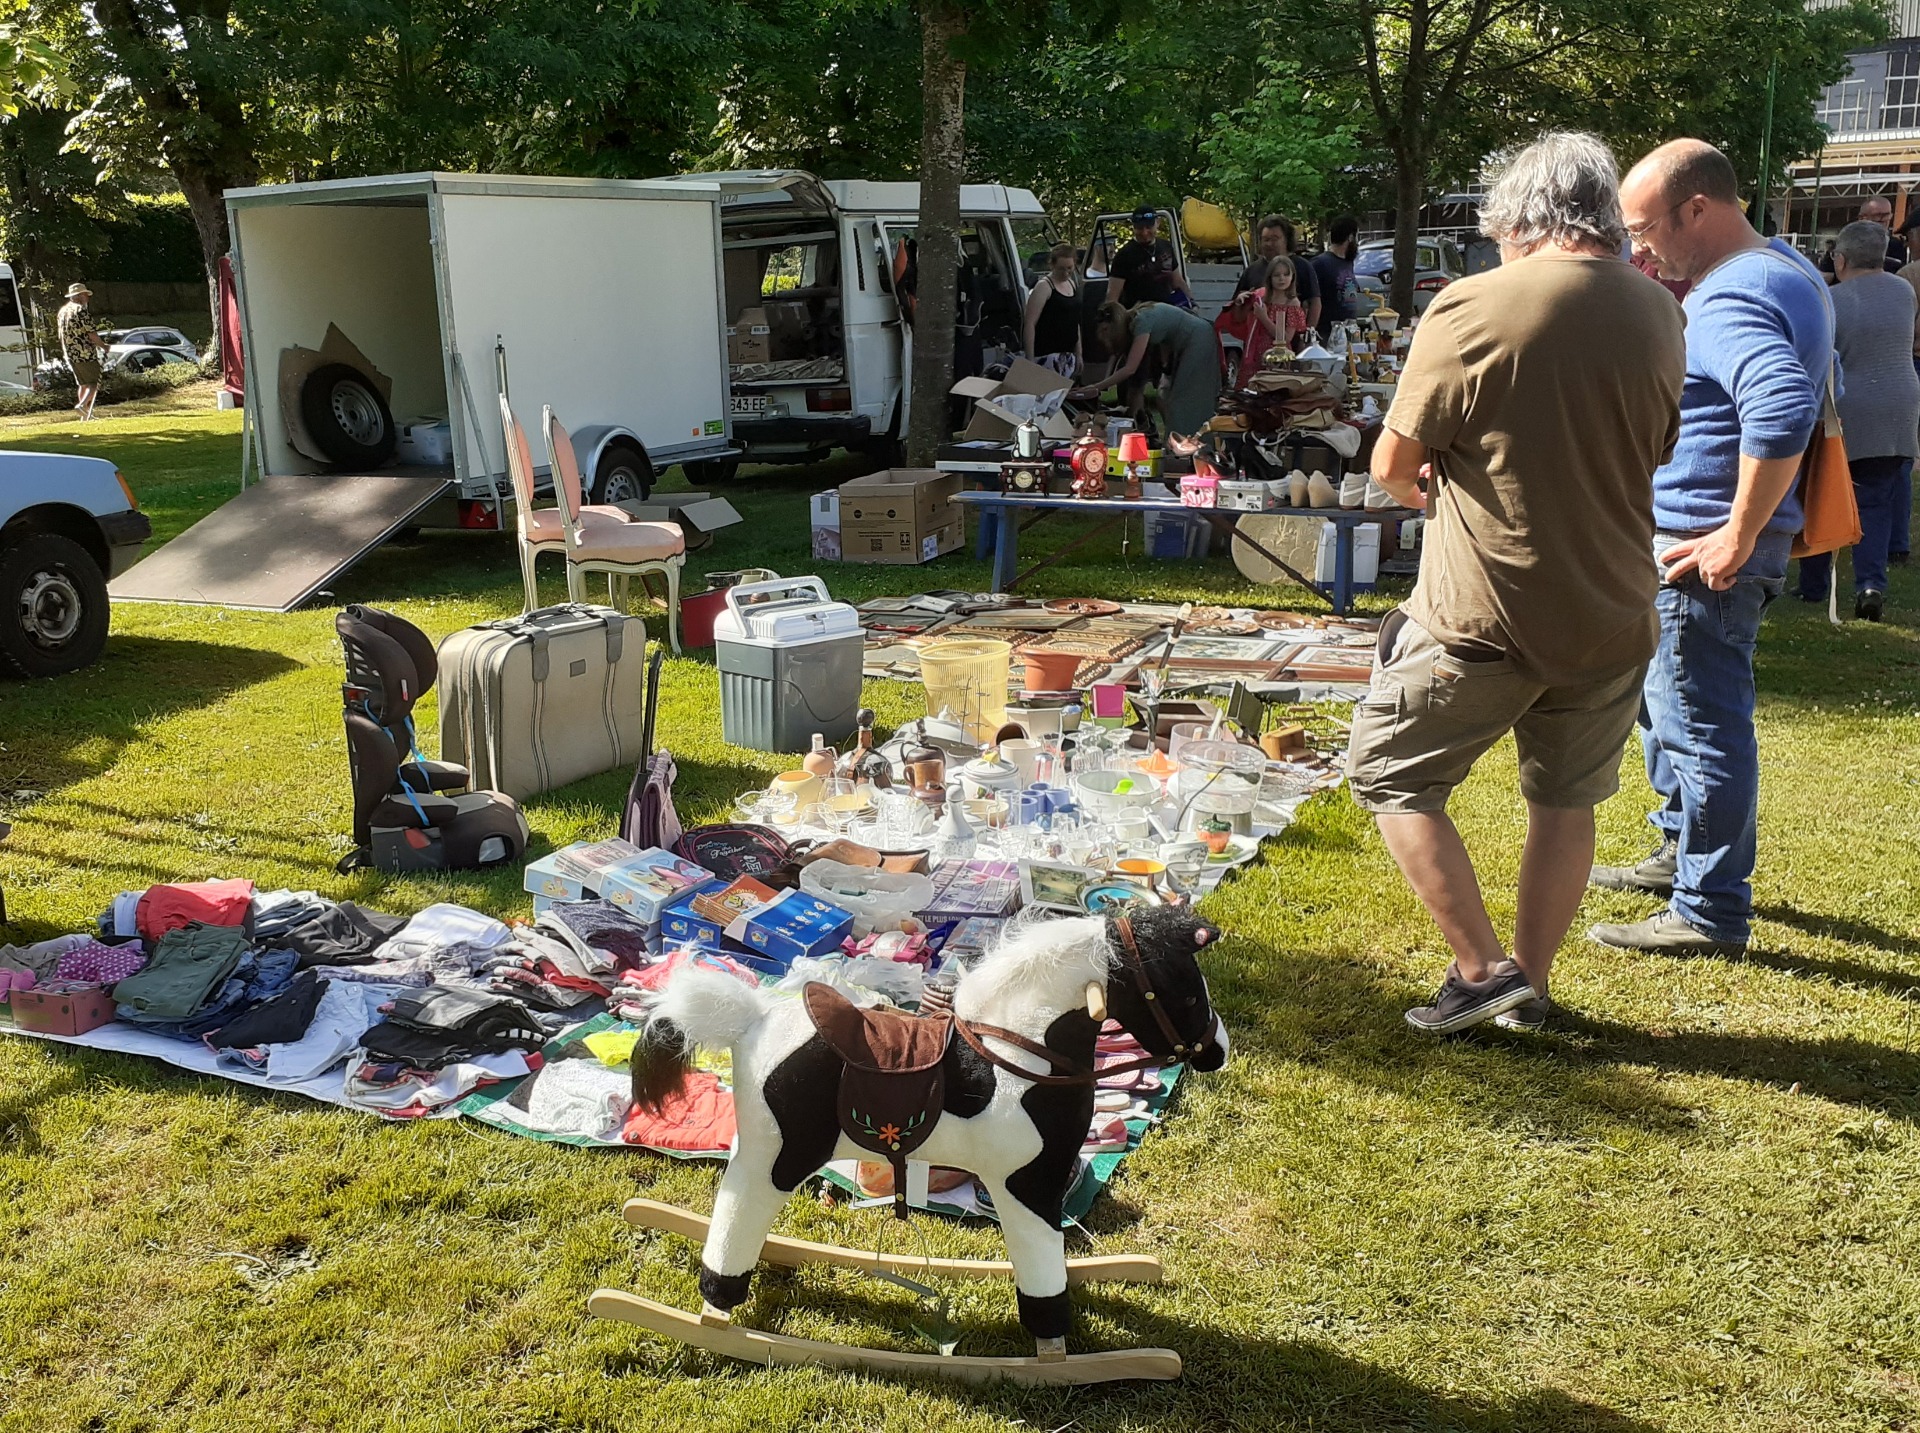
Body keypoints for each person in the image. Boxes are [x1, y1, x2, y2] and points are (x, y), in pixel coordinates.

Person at [1345, 130, 1685, 1036]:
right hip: (1613, 609)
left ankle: (1480, 970)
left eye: (1499, 237)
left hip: (1486, 613)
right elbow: (1655, 448)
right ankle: (1527, 986)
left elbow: (1393, 464)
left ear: (1523, 222)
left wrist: (1439, 481)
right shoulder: (1661, 310)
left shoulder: (1470, 305)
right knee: (1564, 802)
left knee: (1389, 770)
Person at [1590, 139, 1831, 956]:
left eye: (1644, 229)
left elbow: (1782, 403)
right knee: (1668, 712)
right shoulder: (1784, 267)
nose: (1640, 251)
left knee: (1700, 724)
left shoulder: (1732, 293)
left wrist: (1738, 531)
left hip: (1703, 555)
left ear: (1697, 209)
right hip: (1699, 546)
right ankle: (1678, 854)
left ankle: (1708, 908)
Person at [1794, 221, 1919, 620]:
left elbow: (1821, 355)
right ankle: (1870, 584)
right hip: (1898, 405)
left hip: (1848, 408)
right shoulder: (1904, 291)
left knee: (1820, 493)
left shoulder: (1831, 300)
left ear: (1841, 259)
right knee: (1877, 501)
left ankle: (1813, 585)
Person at [1072, 300, 1221, 438]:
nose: (1105, 336)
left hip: (1198, 339)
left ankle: (1188, 443)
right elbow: (1168, 332)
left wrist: (1096, 387)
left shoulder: (1141, 322)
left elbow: (1130, 368)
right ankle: (1176, 440)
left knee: (1183, 400)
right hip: (1185, 344)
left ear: (1115, 324)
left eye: (1105, 330)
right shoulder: (1137, 320)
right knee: (1165, 395)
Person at [1217, 256, 1307, 375]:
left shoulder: (1292, 303)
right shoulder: (1260, 297)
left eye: (1286, 274)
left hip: (1278, 358)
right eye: (1277, 275)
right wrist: (1239, 304)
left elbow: (1285, 338)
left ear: (1293, 276)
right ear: (1270, 278)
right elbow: (1239, 321)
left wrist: (1263, 318)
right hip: (1254, 354)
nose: (1282, 279)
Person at [1235, 214, 1322, 331]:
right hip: (1257, 338)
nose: (1269, 244)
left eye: (1274, 239)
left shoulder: (1302, 266)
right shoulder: (1252, 270)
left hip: (1293, 338)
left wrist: (1308, 334)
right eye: (1265, 239)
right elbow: (1237, 308)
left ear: (1286, 240)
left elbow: (1315, 303)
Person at [1110, 207, 1192, 309]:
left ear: (1157, 223)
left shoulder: (1166, 246)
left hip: (1167, 311)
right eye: (1139, 228)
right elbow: (1112, 298)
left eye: (1149, 227)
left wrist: (1192, 303)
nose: (1144, 232)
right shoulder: (1124, 255)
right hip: (1138, 313)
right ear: (1133, 227)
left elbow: (1177, 281)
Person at [1023, 242, 1083, 377]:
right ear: (1052, 265)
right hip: (1047, 355)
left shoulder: (1072, 283)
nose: (1066, 273)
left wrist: (1079, 353)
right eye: (1061, 269)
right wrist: (1030, 359)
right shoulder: (1044, 287)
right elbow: (1030, 323)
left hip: (1068, 355)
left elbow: (1075, 322)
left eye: (1070, 268)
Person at [56, 282, 108, 416]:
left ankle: (84, 414)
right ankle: (82, 405)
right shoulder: (80, 311)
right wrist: (103, 346)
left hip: (70, 353)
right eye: (85, 295)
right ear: (79, 296)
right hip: (85, 353)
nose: (88, 298)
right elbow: (91, 333)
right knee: (93, 383)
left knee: (83, 384)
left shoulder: (63, 311)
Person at [1310, 216, 1362, 336]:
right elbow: (1310, 300)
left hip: (1349, 332)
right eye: (1356, 237)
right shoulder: (1319, 263)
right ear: (1350, 237)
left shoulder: (1348, 262)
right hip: (1326, 333)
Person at [1859, 194, 1908, 270]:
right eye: (1878, 215)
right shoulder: (1849, 242)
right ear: (1862, 218)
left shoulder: (1896, 245)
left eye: (1887, 215)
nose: (1884, 219)